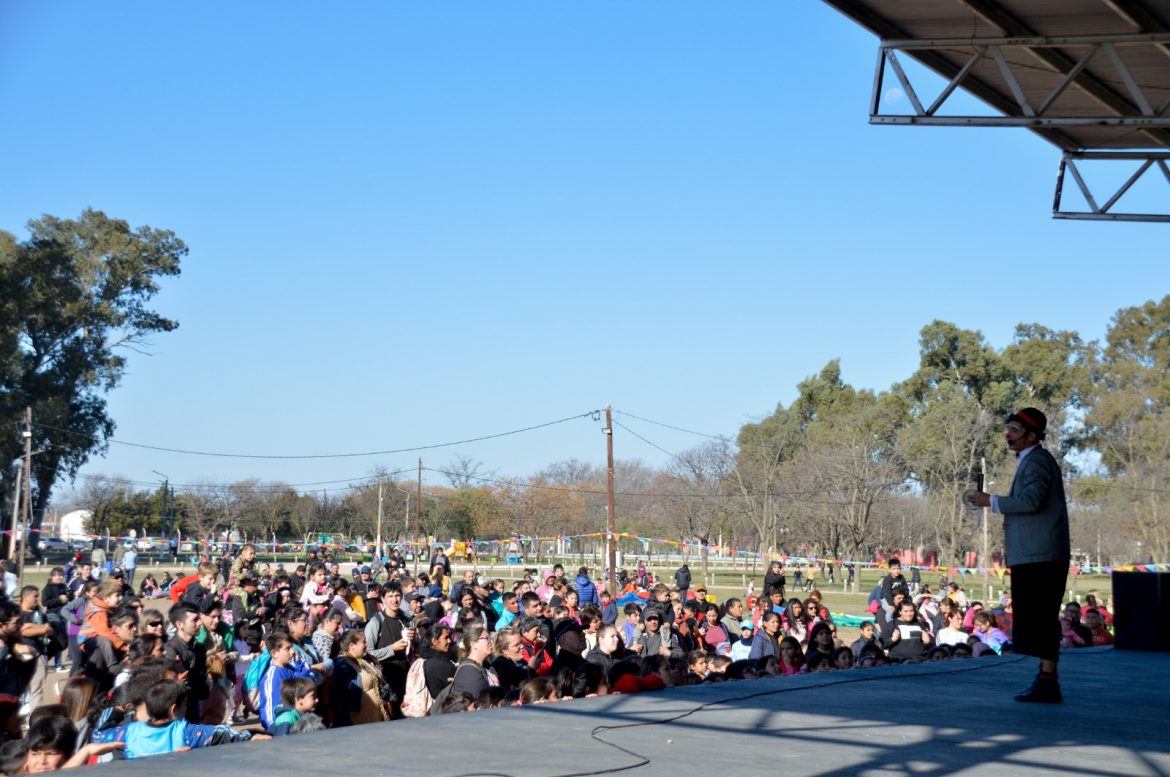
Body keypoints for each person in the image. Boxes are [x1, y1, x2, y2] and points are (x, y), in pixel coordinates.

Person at [967, 407, 1071, 703]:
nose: (1008, 435)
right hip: (1035, 553)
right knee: (1040, 618)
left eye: (1014, 430)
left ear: (1032, 435)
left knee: (1043, 618)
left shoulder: (1038, 461)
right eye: (1009, 429)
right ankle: (1046, 679)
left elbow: (1031, 500)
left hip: (1041, 554)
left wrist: (992, 501)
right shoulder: (1032, 459)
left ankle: (1048, 681)